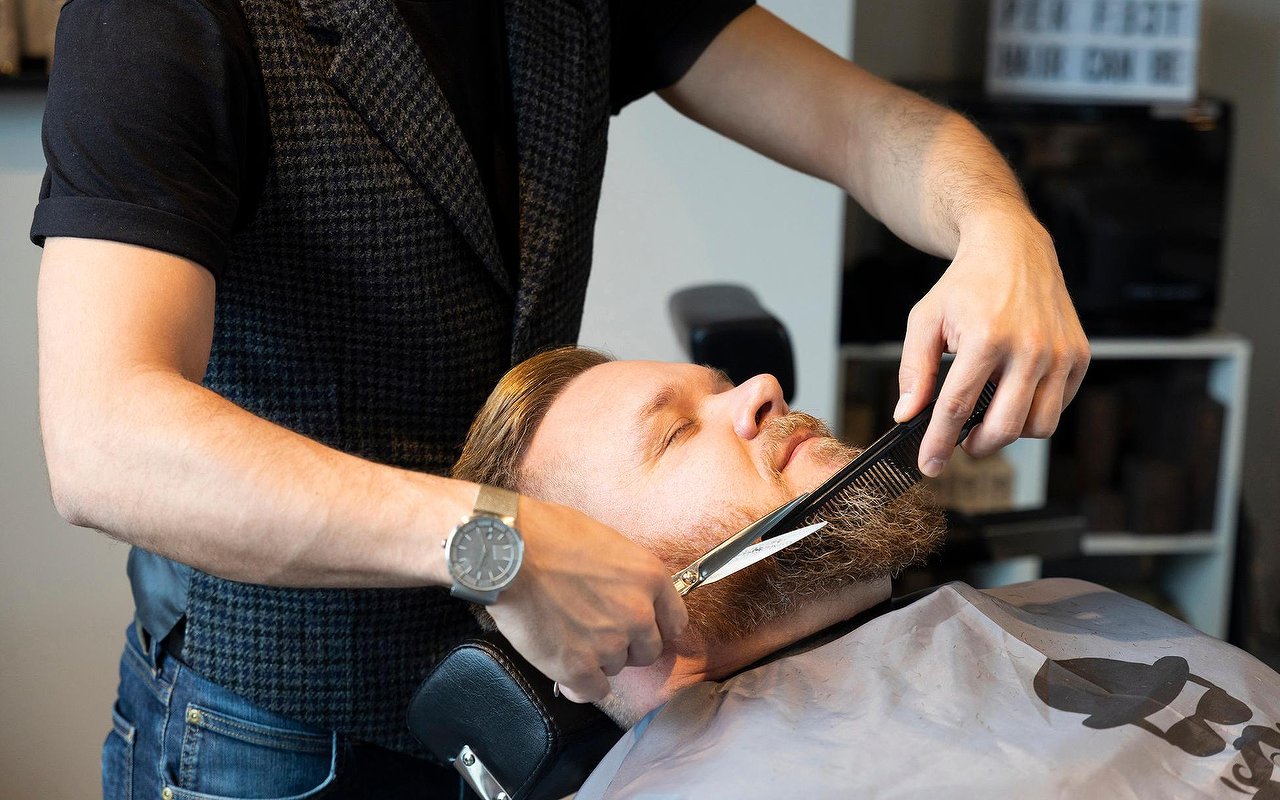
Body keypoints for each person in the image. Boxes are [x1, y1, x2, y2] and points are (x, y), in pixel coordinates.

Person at [32, 0, 1089, 795]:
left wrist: (998, 226)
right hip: (284, 730)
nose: (758, 394)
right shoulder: (168, 20)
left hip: (571, 713)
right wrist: (495, 542)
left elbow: (868, 129)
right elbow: (104, 439)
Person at [452, 347, 1280, 798]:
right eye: (674, 432)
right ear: (578, 604)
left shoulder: (1066, 604)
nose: (762, 388)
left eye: (720, 387)